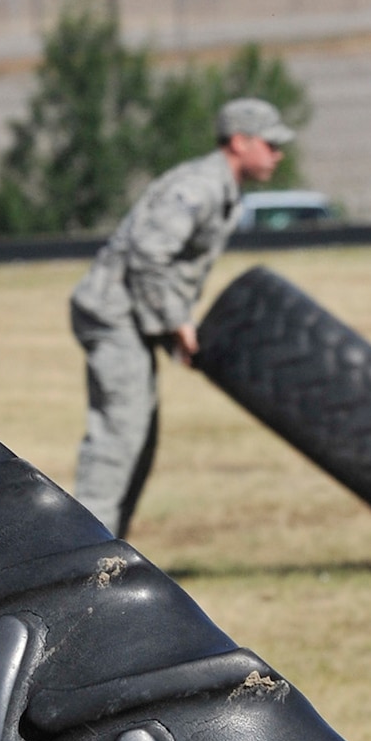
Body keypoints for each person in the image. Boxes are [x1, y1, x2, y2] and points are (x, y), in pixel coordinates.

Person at [69, 97, 295, 537]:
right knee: (119, 438)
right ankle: (81, 555)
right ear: (239, 142)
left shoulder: (223, 189)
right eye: (270, 144)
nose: (278, 154)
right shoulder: (199, 187)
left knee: (137, 440)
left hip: (133, 316)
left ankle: (107, 548)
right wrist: (178, 322)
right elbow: (148, 258)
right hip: (114, 314)